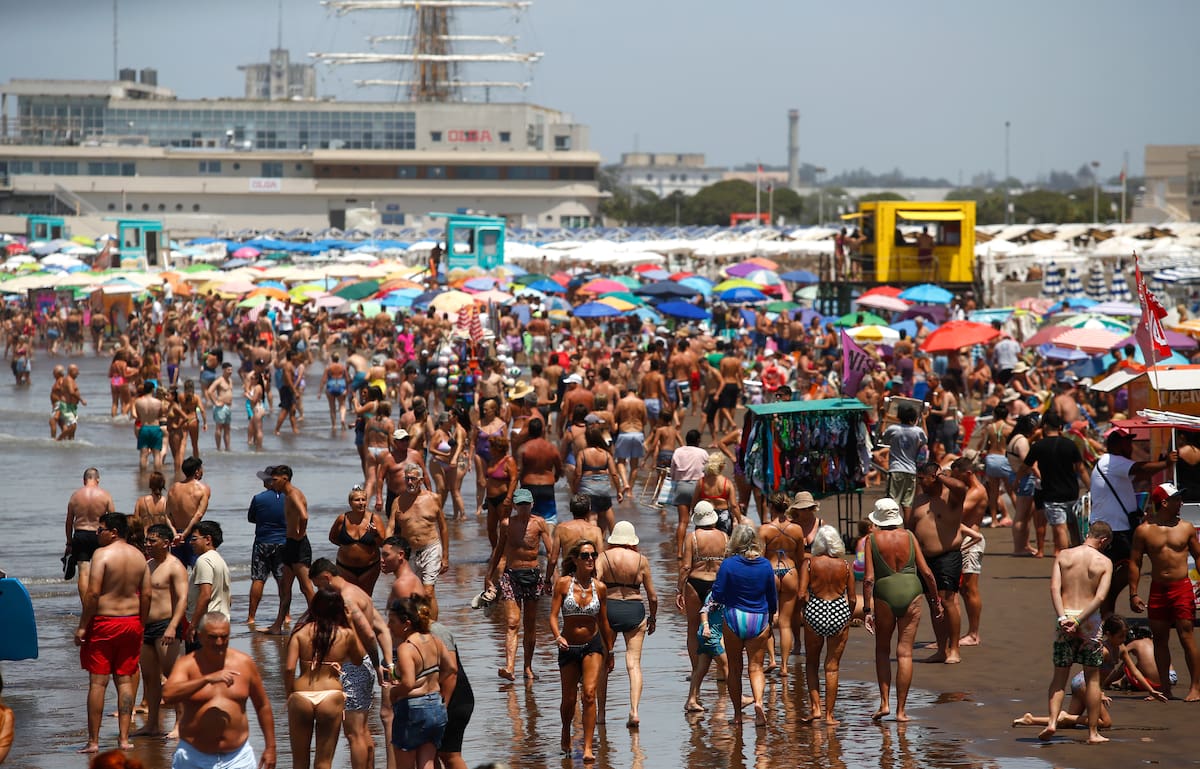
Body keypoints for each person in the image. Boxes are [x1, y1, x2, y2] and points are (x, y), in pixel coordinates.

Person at [75, 512, 151, 754]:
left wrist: (83, 626)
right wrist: (142, 622)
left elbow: (93, 594)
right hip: (132, 623)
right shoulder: (139, 556)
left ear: (114, 532)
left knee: (98, 682)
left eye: (101, 530)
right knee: (125, 680)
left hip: (105, 623)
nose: (98, 534)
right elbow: (147, 594)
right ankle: (124, 739)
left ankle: (93, 741)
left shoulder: (102, 555)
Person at [163, 612, 277, 769]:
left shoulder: (244, 663)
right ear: (200, 636)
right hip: (193, 756)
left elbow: (262, 705)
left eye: (224, 637)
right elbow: (168, 695)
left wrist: (270, 747)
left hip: (238, 757)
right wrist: (206, 679)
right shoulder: (187, 664)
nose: (219, 642)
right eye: (213, 637)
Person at [309, 559, 393, 769]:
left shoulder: (345, 599)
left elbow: (368, 634)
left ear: (327, 577)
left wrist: (377, 665)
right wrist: (387, 663)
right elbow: (381, 628)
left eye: (319, 585)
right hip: (362, 666)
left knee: (354, 734)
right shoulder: (358, 591)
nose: (319, 591)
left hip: (353, 668)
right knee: (362, 731)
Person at [863, 498, 942, 721]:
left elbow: (869, 578)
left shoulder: (871, 539)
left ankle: (884, 703)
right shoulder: (909, 536)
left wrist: (867, 609)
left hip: (885, 593)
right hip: (912, 591)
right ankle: (901, 711)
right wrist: (936, 600)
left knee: (882, 650)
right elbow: (926, 572)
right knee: (905, 652)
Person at [1090, 427, 1177, 617]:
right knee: (1126, 568)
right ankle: (1106, 610)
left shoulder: (1113, 464)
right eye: (1126, 442)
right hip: (1114, 530)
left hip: (1116, 528)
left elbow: (1139, 474)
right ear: (1115, 445)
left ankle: (1106, 613)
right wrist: (1166, 463)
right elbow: (1141, 468)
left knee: (1126, 567)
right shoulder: (1112, 461)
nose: (1130, 445)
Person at [1042, 521, 1113, 744]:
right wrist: (1079, 620)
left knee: (1059, 677)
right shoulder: (1104, 562)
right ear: (1103, 541)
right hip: (1089, 619)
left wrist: (1064, 617)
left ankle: (1052, 722)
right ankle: (1093, 733)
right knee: (1092, 680)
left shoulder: (1064, 555)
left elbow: (1055, 588)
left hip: (1064, 616)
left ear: (1088, 534)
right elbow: (1100, 597)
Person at [1128, 482, 1200, 701]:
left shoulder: (1186, 527)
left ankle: (1196, 687)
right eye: (1177, 499)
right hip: (1158, 589)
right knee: (1159, 639)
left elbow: (1198, 556)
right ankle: (1164, 688)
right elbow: (1135, 561)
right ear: (1164, 502)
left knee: (1186, 636)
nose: (1181, 503)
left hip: (1181, 588)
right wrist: (1133, 593)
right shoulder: (1144, 530)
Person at [283, 587, 366, 769]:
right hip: (331, 695)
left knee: (299, 762)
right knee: (323, 762)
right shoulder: (346, 634)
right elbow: (359, 659)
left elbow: (289, 668)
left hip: (301, 694)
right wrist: (351, 624)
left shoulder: (300, 631)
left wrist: (290, 693)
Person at [549, 540, 614, 762]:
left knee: (588, 694)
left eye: (593, 555)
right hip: (568, 647)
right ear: (575, 559)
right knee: (568, 700)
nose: (590, 560)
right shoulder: (563, 584)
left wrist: (611, 651)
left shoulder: (600, 587)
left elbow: (604, 622)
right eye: (585, 556)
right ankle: (566, 730)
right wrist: (558, 636)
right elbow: (552, 616)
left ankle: (587, 746)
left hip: (592, 646)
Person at [484, 487, 556, 681]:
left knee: (530, 625)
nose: (523, 508)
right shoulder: (507, 524)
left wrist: (549, 578)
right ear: (515, 505)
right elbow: (499, 549)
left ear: (531, 504)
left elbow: (552, 554)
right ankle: (509, 667)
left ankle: (528, 667)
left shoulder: (539, 523)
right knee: (513, 623)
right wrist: (488, 576)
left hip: (533, 576)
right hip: (511, 576)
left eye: (526, 504)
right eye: (520, 504)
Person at [710, 524, 777, 728]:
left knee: (735, 668)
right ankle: (758, 703)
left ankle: (738, 715)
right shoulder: (765, 565)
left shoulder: (728, 565)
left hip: (734, 617)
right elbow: (771, 597)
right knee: (756, 668)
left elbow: (718, 594)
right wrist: (771, 617)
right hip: (758, 618)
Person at [595, 521, 657, 729]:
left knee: (603, 664)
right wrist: (653, 618)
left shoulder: (603, 557)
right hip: (634, 610)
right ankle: (634, 711)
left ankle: (601, 714)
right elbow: (653, 596)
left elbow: (594, 586)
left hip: (608, 609)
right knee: (633, 664)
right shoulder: (641, 560)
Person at [799, 525, 860, 725]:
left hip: (815, 610)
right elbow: (851, 598)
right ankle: (829, 716)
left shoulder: (809, 564)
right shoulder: (845, 565)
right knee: (832, 667)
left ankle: (815, 708)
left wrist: (804, 612)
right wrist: (848, 617)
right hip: (838, 610)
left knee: (811, 663)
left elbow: (801, 594)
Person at [908, 461, 968, 664]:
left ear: (933, 477)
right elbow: (910, 528)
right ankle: (941, 649)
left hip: (947, 555)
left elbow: (962, 487)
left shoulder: (951, 497)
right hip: (924, 559)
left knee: (947, 601)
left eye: (922, 478)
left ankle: (955, 649)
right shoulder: (919, 499)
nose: (919, 482)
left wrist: (939, 475)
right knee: (934, 603)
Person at [387, 596, 456, 769]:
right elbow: (451, 669)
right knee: (428, 764)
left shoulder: (406, 648)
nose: (388, 626)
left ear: (407, 623)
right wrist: (433, 683)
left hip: (412, 710)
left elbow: (408, 683)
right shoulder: (435, 640)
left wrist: (393, 693)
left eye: (392, 621)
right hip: (435, 707)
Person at [134, 523, 188, 738]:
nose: (147, 544)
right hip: (145, 627)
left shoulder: (175, 566)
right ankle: (153, 724)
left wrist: (174, 626)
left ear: (166, 543)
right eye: (147, 540)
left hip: (166, 626)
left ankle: (180, 724)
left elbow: (183, 598)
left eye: (152, 540)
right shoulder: (148, 565)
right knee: (149, 678)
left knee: (173, 677)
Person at [1020, 412, 1090, 555]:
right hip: (1072, 492)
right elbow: (1081, 469)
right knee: (1073, 526)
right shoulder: (1070, 445)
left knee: (1060, 528)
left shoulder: (1038, 446)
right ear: (1059, 427)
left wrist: (1016, 481)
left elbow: (1025, 466)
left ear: (1044, 426)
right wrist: (1091, 487)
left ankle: (1065, 557)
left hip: (1052, 494)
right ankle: (1079, 555)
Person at [388, 461, 449, 619]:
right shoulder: (398, 501)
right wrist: (386, 550)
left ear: (421, 481)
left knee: (428, 592)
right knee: (412, 593)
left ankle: (433, 628)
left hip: (431, 548)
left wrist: (446, 557)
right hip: (410, 552)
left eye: (413, 479)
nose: (409, 482)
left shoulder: (433, 498)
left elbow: (443, 528)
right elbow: (391, 528)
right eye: (407, 478)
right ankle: (417, 624)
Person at [758, 492, 804, 676]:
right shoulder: (797, 530)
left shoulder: (764, 530)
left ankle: (772, 659)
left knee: (768, 619)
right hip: (791, 572)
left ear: (771, 507)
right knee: (785, 623)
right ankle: (785, 666)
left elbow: (760, 559)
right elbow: (800, 559)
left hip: (770, 571)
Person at [66, 467, 117, 603]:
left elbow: (69, 522)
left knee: (83, 572)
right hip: (99, 536)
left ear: (84, 480)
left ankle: (86, 606)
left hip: (80, 535)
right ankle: (99, 603)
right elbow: (113, 519)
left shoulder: (75, 496)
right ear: (98, 479)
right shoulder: (105, 495)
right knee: (100, 570)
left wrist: (69, 543)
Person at [247, 466, 288, 632]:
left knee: (258, 579)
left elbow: (252, 519)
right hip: (283, 542)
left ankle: (251, 617)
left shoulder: (258, 498)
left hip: (263, 542)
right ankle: (286, 615)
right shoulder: (289, 498)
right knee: (282, 580)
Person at [185, 521, 232, 651]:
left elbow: (205, 595)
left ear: (208, 539)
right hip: (221, 623)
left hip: (205, 626)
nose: (190, 543)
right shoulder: (220, 560)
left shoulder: (203, 560)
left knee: (198, 668)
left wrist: (193, 626)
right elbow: (229, 598)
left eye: (194, 539)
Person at [572, 424, 623, 537]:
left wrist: (574, 488)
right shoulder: (606, 454)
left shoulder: (583, 454)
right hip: (604, 491)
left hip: (588, 491)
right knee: (606, 514)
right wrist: (619, 490)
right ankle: (613, 540)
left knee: (592, 518)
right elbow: (614, 474)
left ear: (587, 439)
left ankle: (594, 542)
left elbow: (578, 474)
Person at [882, 403, 927, 516]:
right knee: (907, 504)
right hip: (911, 470)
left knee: (892, 503)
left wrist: (884, 419)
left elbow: (884, 440)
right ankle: (908, 529)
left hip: (896, 469)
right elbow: (925, 439)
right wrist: (924, 420)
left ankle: (892, 529)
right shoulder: (917, 431)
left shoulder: (894, 429)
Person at [166, 455, 210, 569]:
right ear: (197, 471)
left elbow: (167, 515)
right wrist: (185, 534)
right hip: (192, 534)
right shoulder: (203, 489)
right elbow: (198, 515)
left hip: (176, 536)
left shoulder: (173, 488)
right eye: (201, 469)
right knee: (197, 571)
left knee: (178, 571)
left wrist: (175, 534)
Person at [670, 429, 709, 556]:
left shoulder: (678, 451)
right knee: (700, 519)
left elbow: (673, 471)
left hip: (681, 486)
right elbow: (708, 471)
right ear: (698, 440)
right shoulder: (702, 452)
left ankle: (679, 551)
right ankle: (699, 550)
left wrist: (675, 483)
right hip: (698, 486)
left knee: (682, 521)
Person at [1006, 414, 1040, 555]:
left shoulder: (1015, 439)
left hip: (1020, 477)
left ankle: (1024, 545)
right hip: (1024, 479)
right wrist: (1039, 475)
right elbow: (1028, 463)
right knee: (1021, 515)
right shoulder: (1021, 442)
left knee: (1026, 516)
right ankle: (1019, 548)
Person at [691, 452, 741, 536]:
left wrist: (693, 515)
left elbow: (694, 502)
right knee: (724, 542)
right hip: (723, 516)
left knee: (703, 541)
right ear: (722, 466)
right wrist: (740, 521)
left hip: (705, 515)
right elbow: (734, 505)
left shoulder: (701, 482)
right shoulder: (727, 483)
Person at [482, 432, 518, 548]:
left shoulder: (509, 460)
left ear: (498, 448)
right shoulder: (492, 460)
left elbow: (514, 480)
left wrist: (509, 497)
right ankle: (495, 550)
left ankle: (504, 552)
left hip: (503, 498)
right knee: (491, 528)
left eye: (491, 447)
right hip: (491, 499)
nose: (489, 449)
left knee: (504, 526)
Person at [132, 381, 165, 470]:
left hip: (144, 427)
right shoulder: (158, 402)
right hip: (155, 427)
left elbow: (137, 416)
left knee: (143, 454)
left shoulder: (138, 402)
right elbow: (161, 415)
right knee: (157, 454)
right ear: (152, 389)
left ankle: (142, 475)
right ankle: (157, 474)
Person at [206, 361, 235, 452]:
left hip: (228, 407)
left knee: (227, 428)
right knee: (219, 428)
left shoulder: (230, 380)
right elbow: (210, 391)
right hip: (220, 407)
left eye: (231, 370)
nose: (230, 372)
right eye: (228, 370)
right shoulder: (219, 380)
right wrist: (215, 402)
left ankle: (227, 448)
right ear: (223, 370)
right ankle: (218, 447)